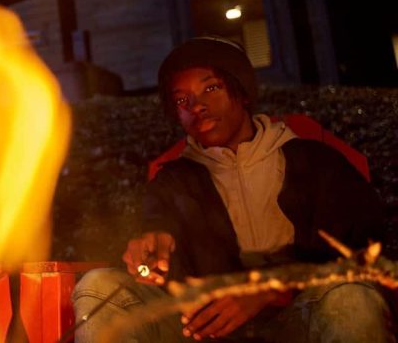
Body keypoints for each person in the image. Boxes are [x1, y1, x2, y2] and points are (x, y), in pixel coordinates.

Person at [72, 36, 393, 342]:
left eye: (211, 88)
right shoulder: (174, 180)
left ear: (242, 92)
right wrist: (152, 251)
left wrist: (268, 288)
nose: (196, 106)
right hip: (202, 328)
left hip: (299, 318)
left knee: (351, 299)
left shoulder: (317, 162)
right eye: (182, 100)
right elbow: (159, 235)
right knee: (99, 285)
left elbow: (362, 254)